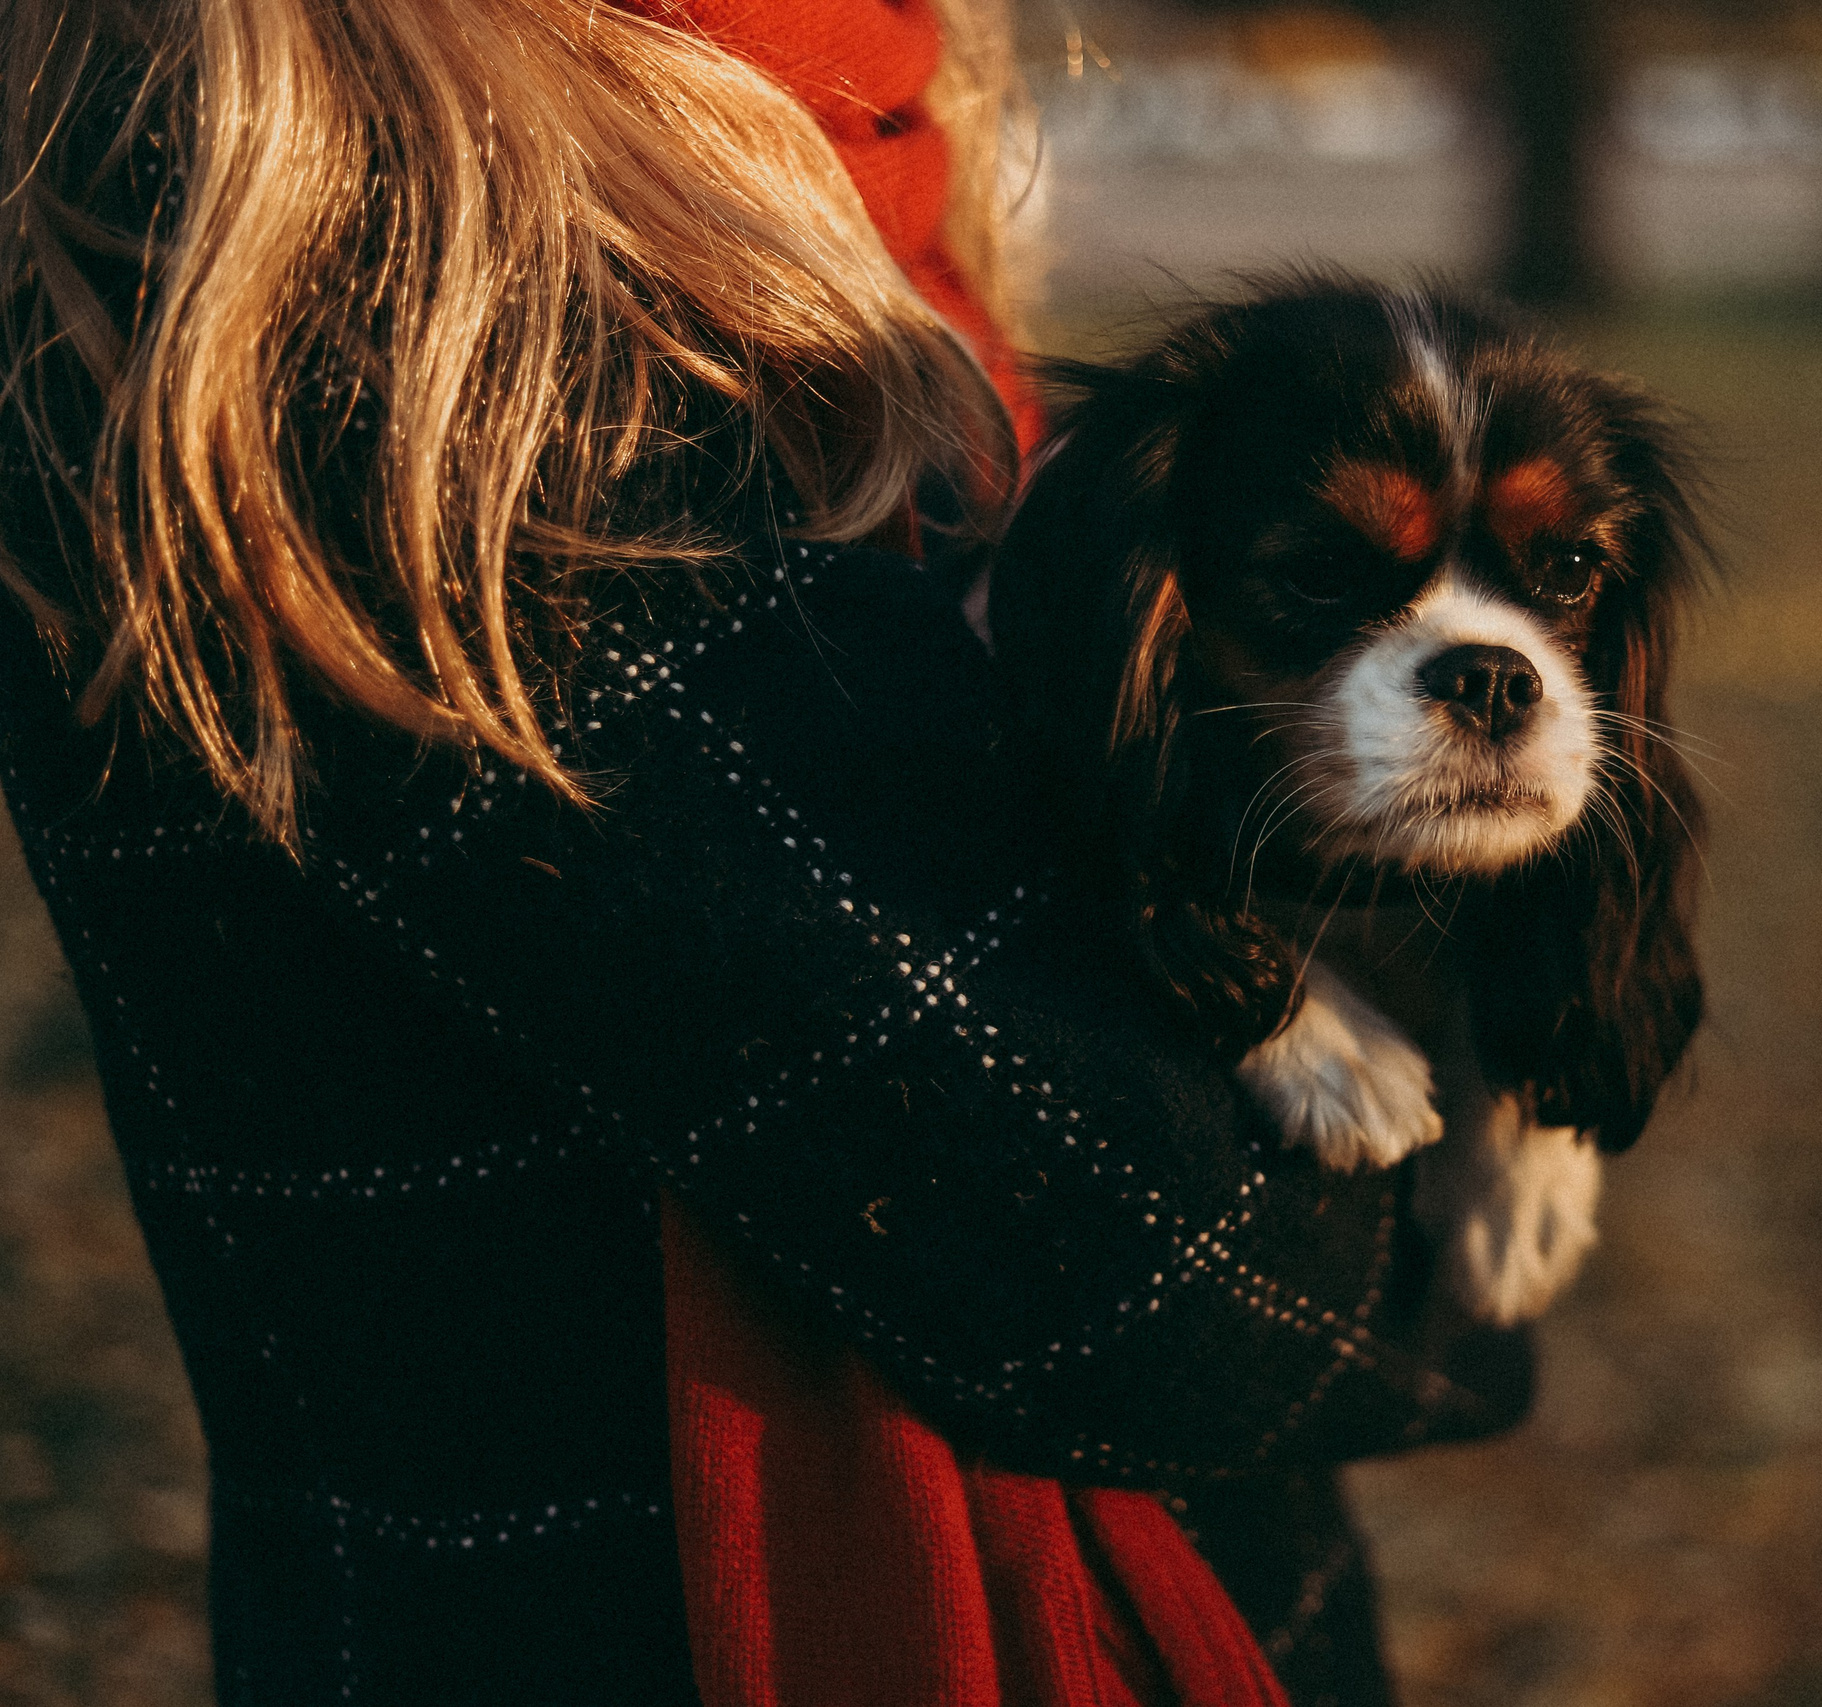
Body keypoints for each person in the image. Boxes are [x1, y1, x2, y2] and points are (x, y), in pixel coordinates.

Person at [0, 0, 1533, 1700]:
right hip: (619, 1632)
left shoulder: (863, 147)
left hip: (1189, 1593)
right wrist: (1468, 1257)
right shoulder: (325, 219)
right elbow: (1127, 1247)